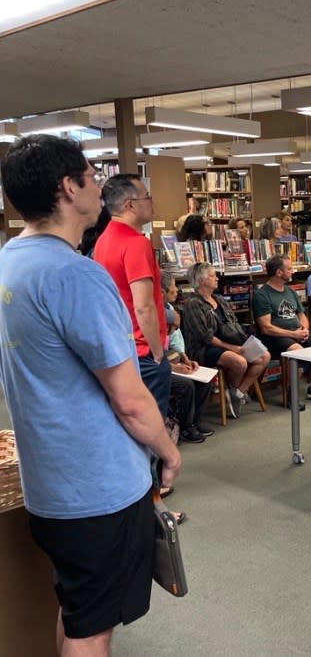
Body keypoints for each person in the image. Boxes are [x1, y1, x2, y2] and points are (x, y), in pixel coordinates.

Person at [0, 134, 181, 655]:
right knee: (92, 628)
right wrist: (168, 455)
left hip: (51, 483)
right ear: (68, 187)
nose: (99, 183)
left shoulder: (12, 260)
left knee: (77, 610)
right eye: (90, 173)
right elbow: (128, 399)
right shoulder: (75, 276)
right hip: (95, 488)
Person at [93, 174, 171, 419]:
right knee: (152, 425)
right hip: (144, 351)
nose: (152, 202)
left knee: (131, 423)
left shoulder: (103, 240)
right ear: (130, 205)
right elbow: (143, 306)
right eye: (147, 197)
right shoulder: (136, 243)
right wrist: (158, 353)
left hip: (121, 345)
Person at [181, 262, 271, 417]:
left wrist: (244, 343)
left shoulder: (219, 299)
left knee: (264, 356)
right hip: (205, 348)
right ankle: (234, 388)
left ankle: (237, 393)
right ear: (201, 280)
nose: (217, 278)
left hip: (230, 342)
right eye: (212, 275)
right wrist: (231, 348)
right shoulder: (192, 303)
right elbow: (205, 336)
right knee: (239, 362)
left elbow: (233, 324)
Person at [252, 255, 311, 402]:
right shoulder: (262, 295)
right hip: (274, 337)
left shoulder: (290, 291)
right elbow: (266, 328)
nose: (293, 271)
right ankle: (291, 393)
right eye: (289, 269)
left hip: (296, 333)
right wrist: (294, 334)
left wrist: (304, 329)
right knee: (298, 352)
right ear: (279, 272)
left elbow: (301, 314)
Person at [162, 271, 214, 444]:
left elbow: (175, 342)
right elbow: (150, 354)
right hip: (156, 364)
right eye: (172, 287)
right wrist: (173, 367)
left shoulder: (170, 309)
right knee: (186, 385)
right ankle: (185, 427)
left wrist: (184, 358)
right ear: (161, 291)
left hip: (169, 357)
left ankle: (194, 422)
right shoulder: (150, 315)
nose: (176, 290)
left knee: (206, 378)